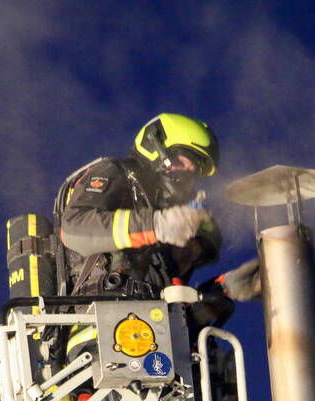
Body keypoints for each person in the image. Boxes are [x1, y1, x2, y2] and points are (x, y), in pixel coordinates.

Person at [54, 113, 259, 307]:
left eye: (195, 168)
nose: (190, 171)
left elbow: (178, 317)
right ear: (156, 147)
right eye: (184, 160)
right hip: (98, 324)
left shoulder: (159, 255)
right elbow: (74, 228)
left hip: (148, 334)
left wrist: (224, 290)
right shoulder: (117, 174)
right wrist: (159, 225)